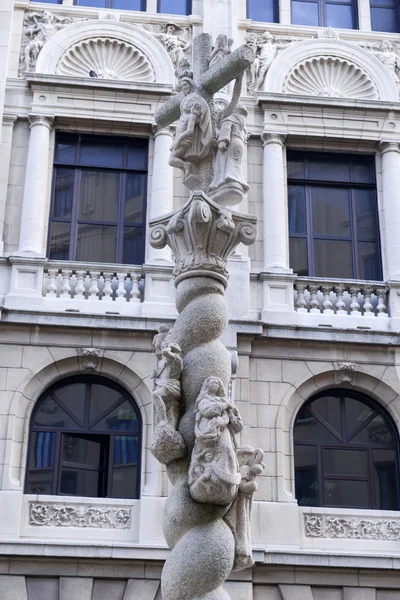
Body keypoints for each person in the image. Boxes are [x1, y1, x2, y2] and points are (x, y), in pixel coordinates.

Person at [188, 376, 243, 506]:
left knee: (228, 450)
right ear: (207, 385)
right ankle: (207, 474)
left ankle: (226, 476)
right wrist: (225, 405)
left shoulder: (224, 401)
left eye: (218, 382)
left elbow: (238, 424)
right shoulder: (204, 400)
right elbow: (207, 411)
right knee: (213, 452)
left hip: (223, 431)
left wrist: (232, 412)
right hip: (208, 432)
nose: (216, 384)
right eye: (212, 382)